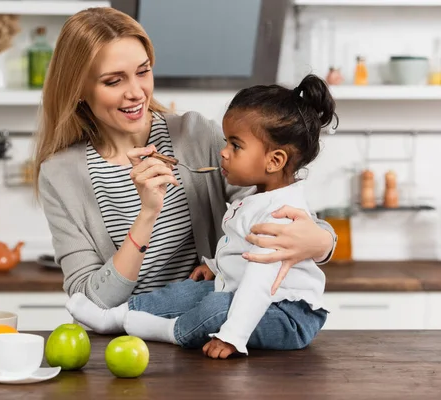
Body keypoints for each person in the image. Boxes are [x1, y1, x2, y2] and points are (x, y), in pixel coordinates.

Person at [34, 7, 337, 310]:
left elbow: (278, 210)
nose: (136, 92)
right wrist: (147, 215)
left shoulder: (196, 136)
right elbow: (89, 301)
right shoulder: (60, 175)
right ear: (79, 89)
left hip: (205, 337)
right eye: (114, 81)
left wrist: (322, 243)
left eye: (143, 71)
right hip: (120, 345)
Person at [66, 73, 337, 359]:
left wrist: (232, 337)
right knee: (187, 292)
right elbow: (239, 249)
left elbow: (258, 287)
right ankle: (115, 317)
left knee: (216, 309)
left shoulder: (279, 215)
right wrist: (218, 267)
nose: (223, 153)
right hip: (247, 295)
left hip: (287, 315)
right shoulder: (259, 197)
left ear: (275, 161)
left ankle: (171, 331)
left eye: (235, 145)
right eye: (225, 142)